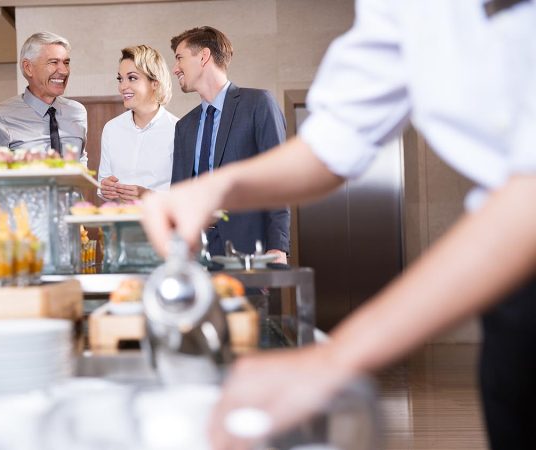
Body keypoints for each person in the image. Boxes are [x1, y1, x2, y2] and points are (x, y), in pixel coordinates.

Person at [141, 1, 536, 449]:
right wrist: (217, 188)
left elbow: (525, 206)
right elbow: (335, 137)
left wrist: (332, 359)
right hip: (512, 306)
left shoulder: (254, 103)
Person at [170, 26, 290, 263]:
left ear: (203, 56)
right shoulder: (184, 126)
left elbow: (278, 178)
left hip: (249, 252)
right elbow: (179, 194)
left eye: (179, 58)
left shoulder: (258, 104)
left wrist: (278, 247)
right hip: (194, 256)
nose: (175, 69)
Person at [0, 32, 87, 163]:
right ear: (28, 68)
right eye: (53, 62)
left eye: (66, 63)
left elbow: (81, 160)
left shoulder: (77, 111)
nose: (64, 71)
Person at [98, 45, 178, 201]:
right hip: (119, 223)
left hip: (162, 223)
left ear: (155, 82)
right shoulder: (111, 129)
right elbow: (103, 183)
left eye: (132, 78)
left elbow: (188, 194)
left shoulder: (179, 130)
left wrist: (148, 195)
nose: (123, 87)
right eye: (120, 79)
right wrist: (105, 189)